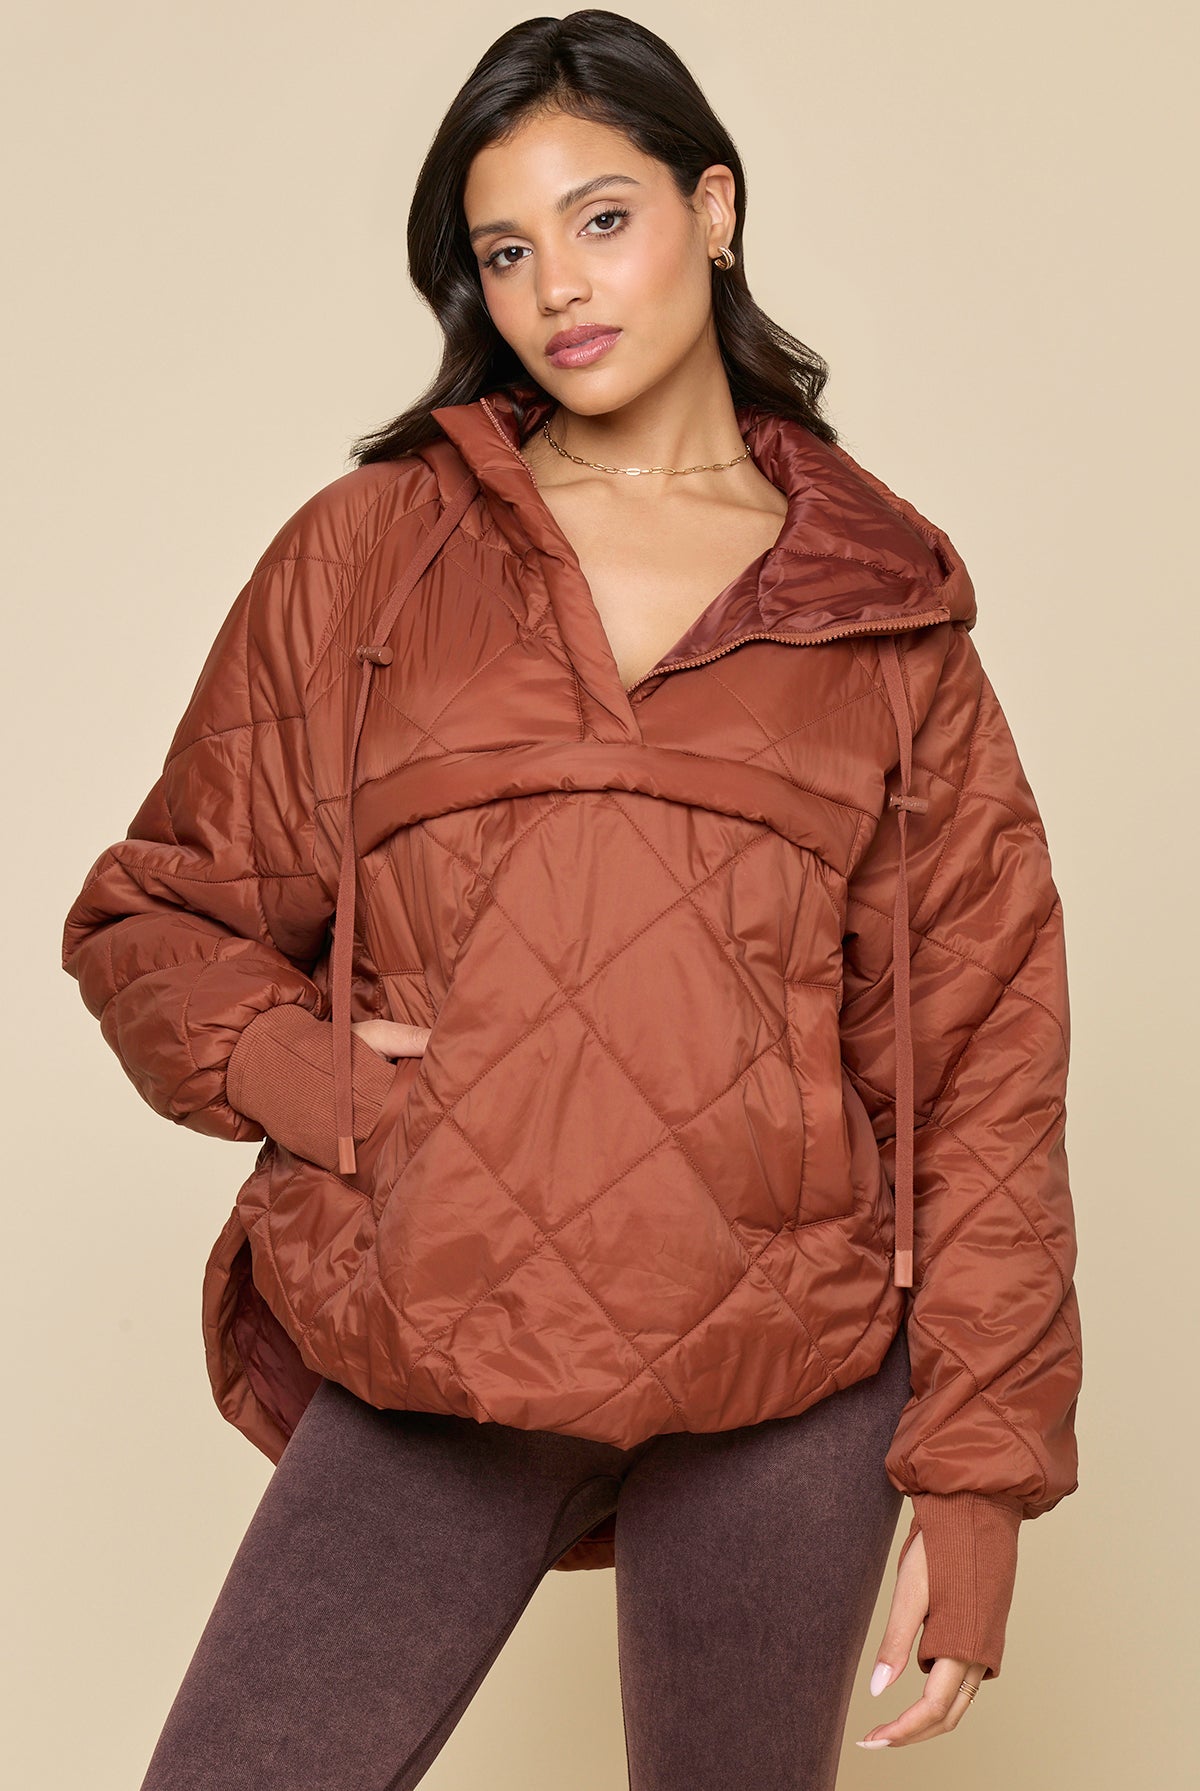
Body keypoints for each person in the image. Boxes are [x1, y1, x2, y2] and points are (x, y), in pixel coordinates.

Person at [59, 10, 1082, 1788]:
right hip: (438, 1327)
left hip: (790, 1366)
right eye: (507, 250)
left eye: (603, 219)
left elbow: (982, 1060)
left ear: (715, 208)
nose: (559, 287)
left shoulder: (881, 609)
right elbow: (156, 915)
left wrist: (978, 1479)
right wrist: (318, 1081)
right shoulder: (374, 552)